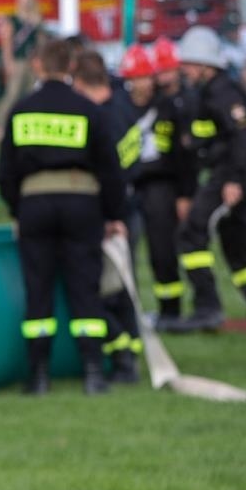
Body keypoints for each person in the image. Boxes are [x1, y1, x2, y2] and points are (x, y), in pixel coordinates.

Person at [0, 37, 126, 395]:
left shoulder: (22, 111)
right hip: (82, 204)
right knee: (85, 287)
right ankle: (94, 373)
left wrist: (17, 207)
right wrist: (114, 214)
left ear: (38, 65)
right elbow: (109, 169)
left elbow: (5, 172)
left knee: (38, 290)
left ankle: (38, 376)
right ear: (71, 66)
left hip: (35, 205)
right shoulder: (87, 111)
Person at [163, 26, 246, 331]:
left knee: (192, 232)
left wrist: (232, 180)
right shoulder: (205, 94)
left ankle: (207, 307)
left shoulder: (225, 92)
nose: (185, 70)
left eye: (190, 65)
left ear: (206, 65)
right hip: (226, 174)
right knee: (238, 242)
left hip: (232, 175)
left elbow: (242, 136)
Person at [72, 51, 144, 384]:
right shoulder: (123, 106)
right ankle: (132, 354)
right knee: (123, 289)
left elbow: (109, 173)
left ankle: (123, 359)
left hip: (114, 214)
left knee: (106, 291)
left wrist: (107, 215)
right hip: (129, 207)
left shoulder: (104, 118)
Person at [123, 40, 197, 326]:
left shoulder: (166, 107)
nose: (138, 85)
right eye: (133, 79)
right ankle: (127, 310)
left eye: (142, 77)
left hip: (161, 186)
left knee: (162, 249)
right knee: (126, 249)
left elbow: (182, 157)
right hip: (131, 186)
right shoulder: (121, 107)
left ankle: (170, 311)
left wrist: (184, 194)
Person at [0, 0, 50, 138]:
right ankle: (1, 126)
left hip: (33, 62)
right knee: (13, 94)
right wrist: (8, 62)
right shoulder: (13, 20)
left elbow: (41, 42)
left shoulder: (36, 20)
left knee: (32, 93)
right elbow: (6, 43)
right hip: (18, 62)